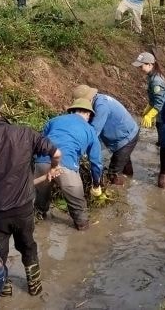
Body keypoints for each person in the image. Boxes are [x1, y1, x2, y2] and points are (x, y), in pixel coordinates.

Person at [0, 89, 61, 297]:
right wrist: (53, 169)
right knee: (28, 245)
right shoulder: (25, 133)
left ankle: (4, 292)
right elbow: (57, 153)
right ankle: (35, 287)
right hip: (24, 207)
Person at [34, 98, 103, 231]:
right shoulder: (90, 130)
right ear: (88, 114)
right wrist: (96, 183)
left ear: (72, 111)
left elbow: (40, 142)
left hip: (42, 162)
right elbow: (96, 162)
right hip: (66, 166)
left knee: (38, 207)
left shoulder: (54, 120)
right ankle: (83, 233)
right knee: (79, 211)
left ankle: (40, 231)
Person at [72, 84, 139, 185]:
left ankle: (120, 190)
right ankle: (129, 184)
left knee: (114, 173)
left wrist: (81, 152)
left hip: (126, 137)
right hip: (126, 133)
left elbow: (94, 132)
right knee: (123, 163)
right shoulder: (98, 100)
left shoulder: (101, 106)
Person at [132, 52, 165, 146]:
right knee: (159, 124)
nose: (139, 69)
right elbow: (154, 96)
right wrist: (149, 106)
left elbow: (159, 103)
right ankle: (161, 144)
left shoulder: (156, 80)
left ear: (150, 65)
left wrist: (150, 115)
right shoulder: (152, 75)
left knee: (161, 126)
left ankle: (163, 148)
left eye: (141, 66)